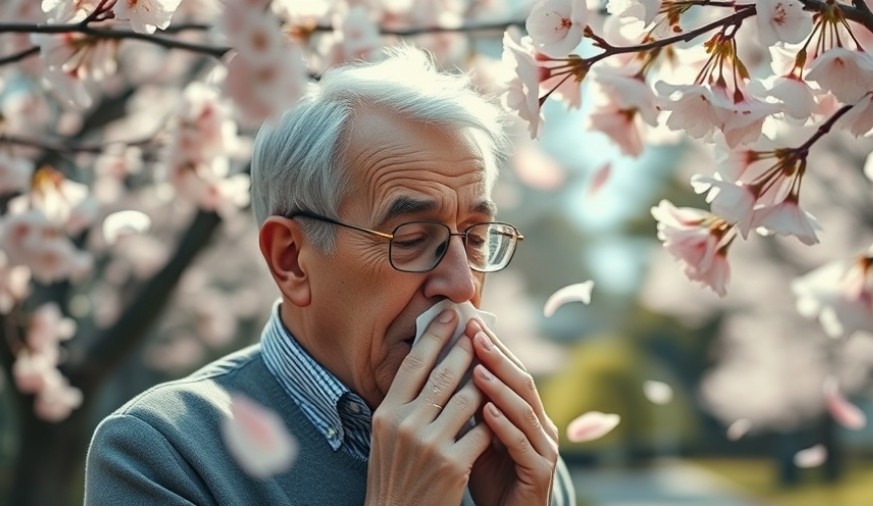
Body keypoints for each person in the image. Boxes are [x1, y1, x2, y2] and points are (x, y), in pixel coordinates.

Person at [84, 45, 576, 505]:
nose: (462, 284)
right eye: (410, 239)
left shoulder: (512, 448)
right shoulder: (163, 452)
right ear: (291, 260)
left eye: (474, 238)